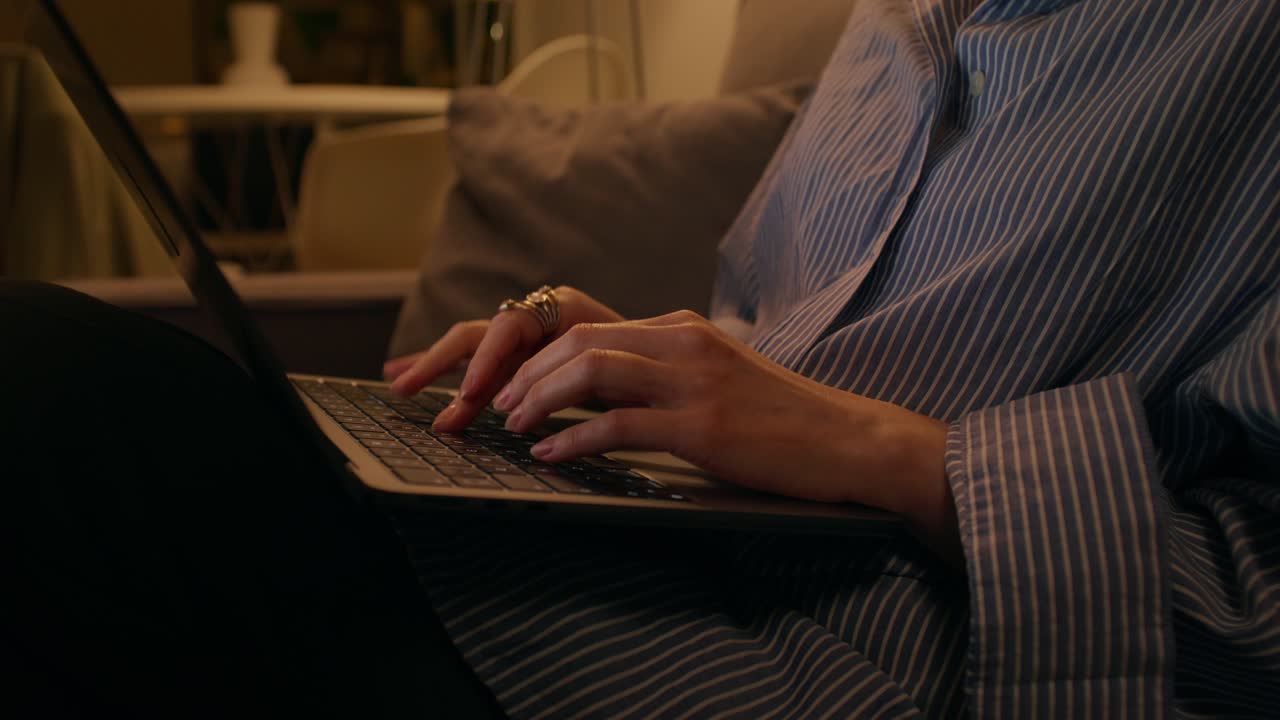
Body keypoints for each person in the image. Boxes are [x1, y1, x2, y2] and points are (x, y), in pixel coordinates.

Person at [4, 0, 1278, 717]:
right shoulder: (894, 24)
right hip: (641, 555)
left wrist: (892, 457)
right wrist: (629, 358)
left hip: (823, 657)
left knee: (48, 395)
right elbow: (766, 350)